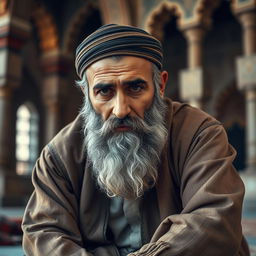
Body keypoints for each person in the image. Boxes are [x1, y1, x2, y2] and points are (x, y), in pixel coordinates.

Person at [22, 24, 250, 256]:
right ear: (87, 94)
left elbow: (214, 221)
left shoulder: (199, 134)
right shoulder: (58, 156)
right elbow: (43, 232)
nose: (120, 109)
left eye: (135, 87)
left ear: (160, 85)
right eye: (104, 91)